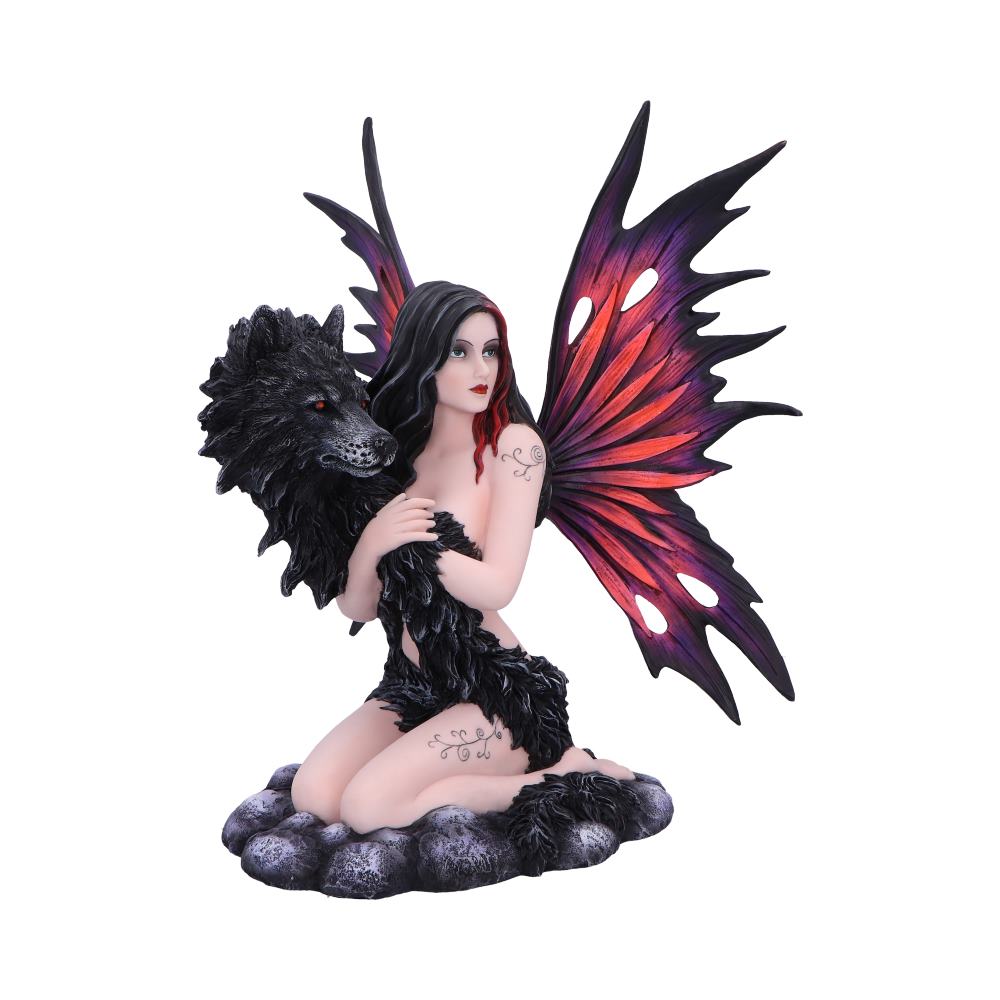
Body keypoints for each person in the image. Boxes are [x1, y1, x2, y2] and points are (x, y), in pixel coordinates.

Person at [290, 280, 634, 834]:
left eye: (491, 351)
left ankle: (565, 773)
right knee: (315, 796)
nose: (482, 369)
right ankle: (453, 780)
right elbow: (358, 609)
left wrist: (416, 547)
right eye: (459, 351)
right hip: (411, 684)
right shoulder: (397, 453)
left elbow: (498, 586)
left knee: (367, 808)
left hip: (494, 688)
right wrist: (373, 543)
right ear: (423, 356)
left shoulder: (515, 449)